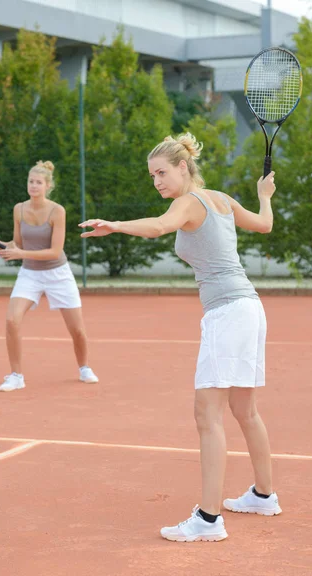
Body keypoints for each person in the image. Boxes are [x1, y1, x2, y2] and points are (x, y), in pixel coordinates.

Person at [79, 133, 281, 542]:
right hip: (249, 308)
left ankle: (208, 520)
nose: (157, 181)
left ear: (183, 167)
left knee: (207, 415)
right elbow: (265, 224)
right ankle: (263, 495)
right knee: (245, 411)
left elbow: (159, 227)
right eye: (152, 174)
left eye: (162, 172)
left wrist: (115, 225)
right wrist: (264, 195)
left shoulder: (187, 202)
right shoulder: (221, 198)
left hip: (228, 312)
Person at [0, 160, 99, 391]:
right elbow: (16, 243)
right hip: (30, 274)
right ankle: (16, 376)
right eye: (31, 181)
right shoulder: (19, 209)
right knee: (11, 320)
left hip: (58, 273)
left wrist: (19, 253)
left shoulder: (57, 211)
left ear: (48, 186)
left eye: (38, 182)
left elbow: (54, 251)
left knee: (77, 329)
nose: (33, 185)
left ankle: (84, 367)